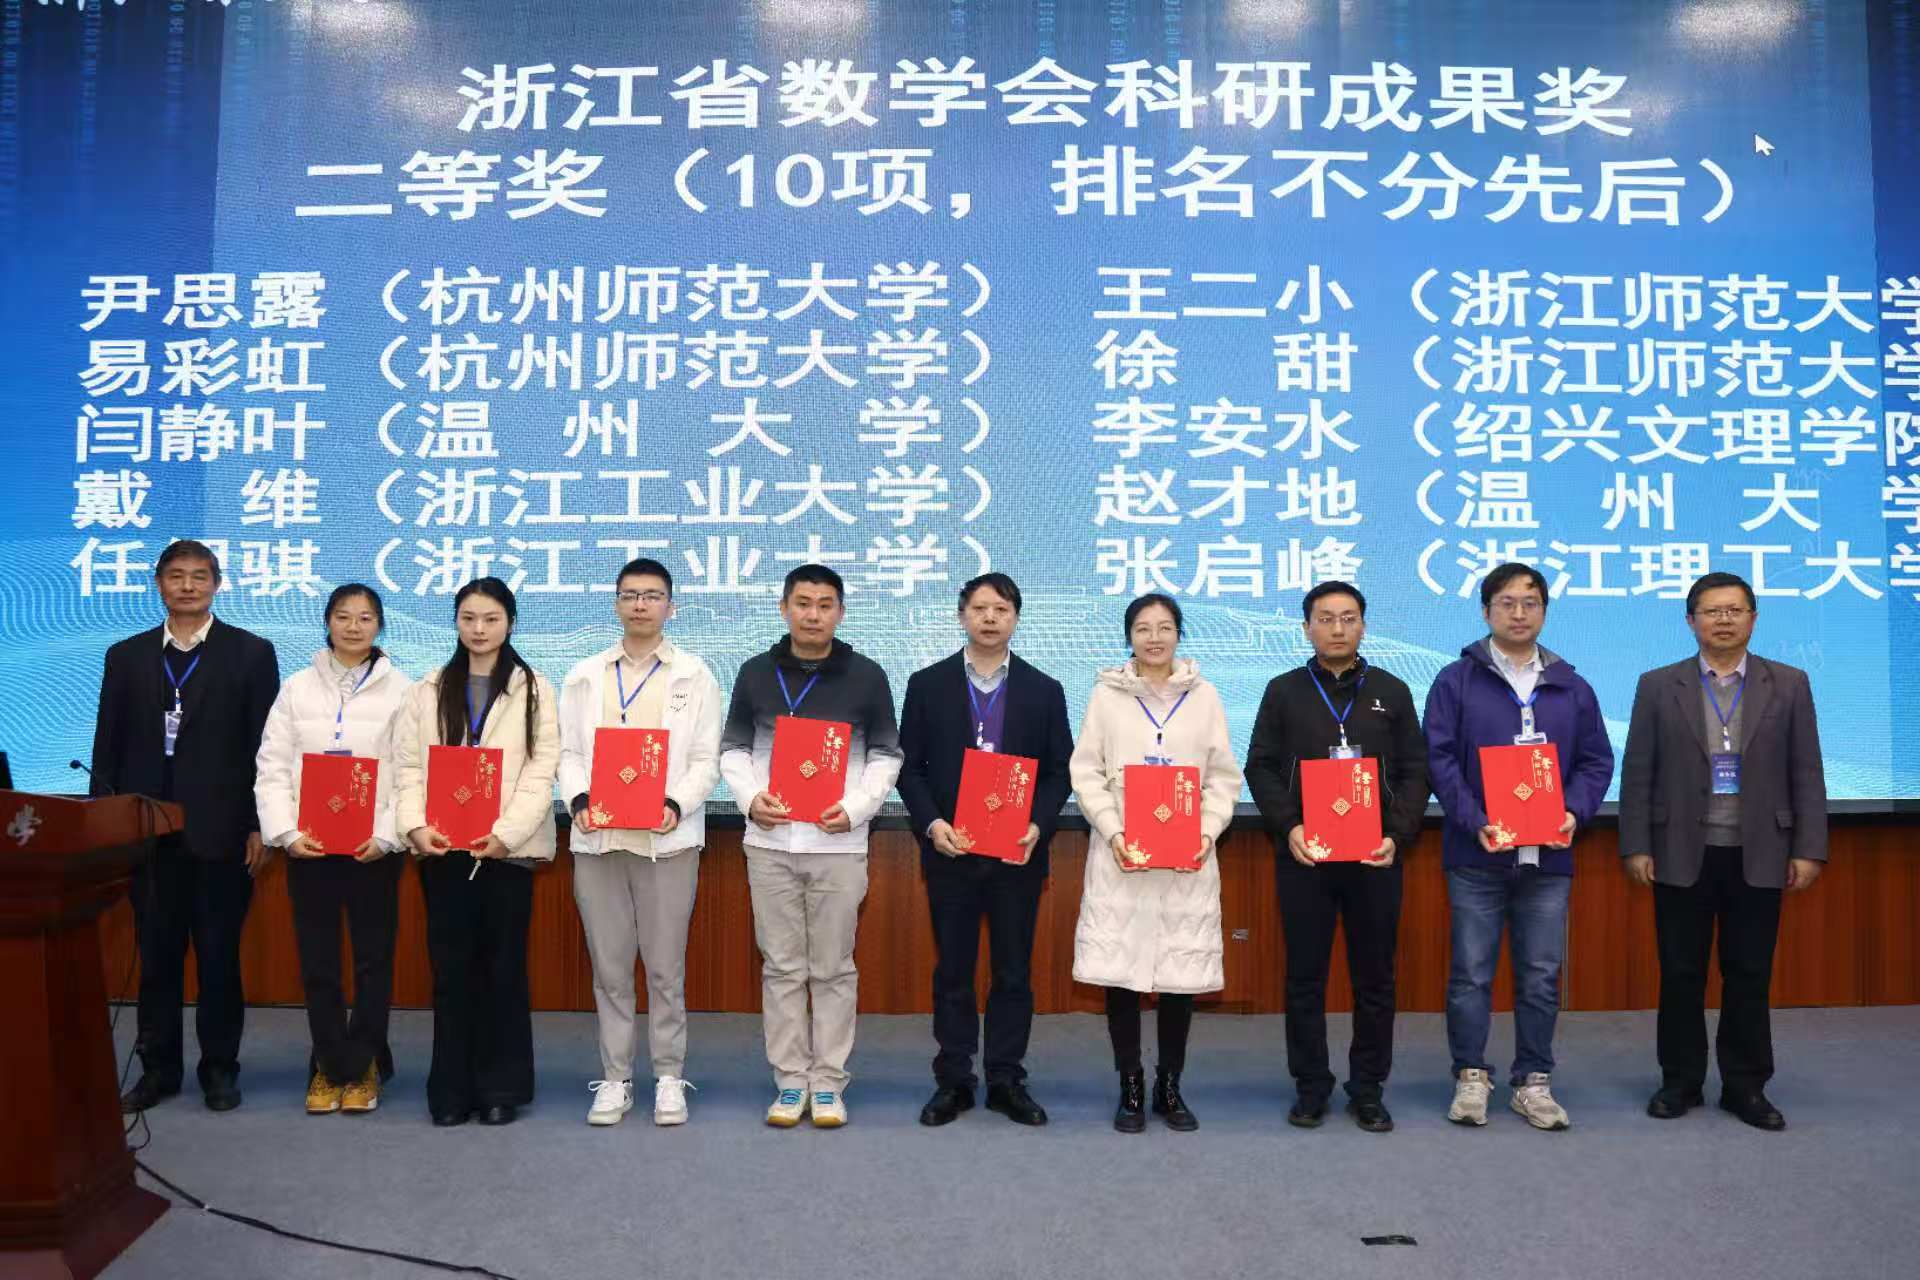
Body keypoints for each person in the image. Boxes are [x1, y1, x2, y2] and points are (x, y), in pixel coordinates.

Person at [1619, 571, 1827, 1131]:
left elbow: (1807, 770)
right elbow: (1638, 771)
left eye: (1735, 610)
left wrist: (1809, 848)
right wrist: (1636, 844)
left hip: (1760, 851)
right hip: (1679, 851)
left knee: (1749, 974)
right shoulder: (1658, 685)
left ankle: (1745, 1086)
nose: (1724, 620)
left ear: (1753, 619)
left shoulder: (1789, 684)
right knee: (1680, 973)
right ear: (1692, 621)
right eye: (1712, 611)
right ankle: (1680, 1081)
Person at [1424, 563, 1614, 1131]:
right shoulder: (1455, 681)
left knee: (1541, 974)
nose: (1518, 612)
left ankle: (1533, 1080)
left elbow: (1596, 761)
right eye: (1506, 602)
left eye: (1530, 603)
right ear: (1486, 611)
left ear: (1544, 612)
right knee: (1471, 974)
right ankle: (1471, 1075)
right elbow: (1439, 759)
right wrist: (1475, 820)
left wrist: (1573, 811)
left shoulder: (1572, 685)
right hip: (1476, 855)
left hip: (1548, 858)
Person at [94, 539, 279, 1114]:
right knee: (156, 960)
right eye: (177, 576)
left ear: (217, 585)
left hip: (223, 833)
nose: (188, 586)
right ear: (159, 584)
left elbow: (266, 750)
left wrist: (260, 825)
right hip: (147, 835)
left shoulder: (251, 653)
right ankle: (159, 1071)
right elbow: (107, 747)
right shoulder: (126, 656)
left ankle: (220, 1069)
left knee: (219, 958)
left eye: (200, 576)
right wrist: (106, 827)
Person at [719, 564, 904, 1128]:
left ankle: (827, 1082)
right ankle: (789, 1080)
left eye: (825, 605)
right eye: (803, 603)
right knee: (781, 968)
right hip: (770, 841)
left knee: (832, 968)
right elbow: (733, 750)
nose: (813, 614)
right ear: (784, 608)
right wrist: (750, 798)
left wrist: (855, 807)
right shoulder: (755, 672)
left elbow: (886, 756)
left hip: (837, 845)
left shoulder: (866, 676)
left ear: (840, 613)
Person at [1244, 581, 1427, 1133]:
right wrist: (1290, 826)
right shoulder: (1284, 691)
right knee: (1305, 978)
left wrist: (1397, 834)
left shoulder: (1392, 691)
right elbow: (1260, 766)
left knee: (1375, 979)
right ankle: (1311, 1086)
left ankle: (1367, 1088)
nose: (1338, 628)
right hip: (1307, 857)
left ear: (1363, 626)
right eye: (1325, 618)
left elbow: (1415, 770)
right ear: (1307, 628)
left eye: (1348, 618)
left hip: (1375, 857)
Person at [898, 573, 1074, 1128]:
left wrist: (1038, 825)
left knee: (1013, 972)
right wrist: (932, 824)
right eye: (979, 608)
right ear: (962, 616)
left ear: (1016, 618)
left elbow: (1060, 771)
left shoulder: (1044, 689)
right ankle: (953, 1080)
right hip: (950, 851)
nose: (990, 618)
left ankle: (1005, 1079)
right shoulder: (927, 684)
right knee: (953, 971)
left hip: (1016, 856)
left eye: (1001, 609)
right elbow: (909, 768)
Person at [559, 558, 722, 1128]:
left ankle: (670, 1076)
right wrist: (579, 799)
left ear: (670, 607)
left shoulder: (695, 675)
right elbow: (568, 753)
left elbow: (706, 759)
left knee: (664, 969)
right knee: (609, 969)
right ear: (616, 604)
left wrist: (675, 803)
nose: (640, 605)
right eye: (630, 595)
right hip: (599, 842)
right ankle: (616, 1078)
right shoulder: (585, 675)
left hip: (666, 843)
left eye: (652, 596)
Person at [1070, 594, 1242, 1133]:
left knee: (1178, 975)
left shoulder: (1205, 696)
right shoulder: (1106, 695)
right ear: (1129, 636)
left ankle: (1170, 1086)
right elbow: (1086, 772)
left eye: (1165, 627)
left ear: (1179, 634)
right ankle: (1130, 1085)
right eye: (1143, 628)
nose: (1154, 637)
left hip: (1187, 859)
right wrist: (1114, 831)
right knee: (1119, 973)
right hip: (1123, 855)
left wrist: (1205, 833)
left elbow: (1222, 778)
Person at [393, 577, 560, 1127]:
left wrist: (507, 833)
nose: (480, 629)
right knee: (451, 970)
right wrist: (416, 828)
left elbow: (541, 769)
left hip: (506, 851)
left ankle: (499, 1089)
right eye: (469, 618)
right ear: (456, 622)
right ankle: (451, 1090)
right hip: (443, 849)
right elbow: (408, 767)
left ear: (509, 623)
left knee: (502, 968)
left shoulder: (534, 689)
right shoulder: (428, 688)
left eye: (491, 618)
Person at [254, 584, 413, 1115]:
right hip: (312, 848)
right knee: (318, 962)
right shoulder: (296, 688)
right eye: (343, 616)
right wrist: (286, 833)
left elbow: (411, 771)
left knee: (373, 961)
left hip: (374, 849)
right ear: (327, 622)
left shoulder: (403, 691)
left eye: (365, 618)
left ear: (380, 626)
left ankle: (364, 1063)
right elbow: (272, 766)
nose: (353, 626)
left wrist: (387, 835)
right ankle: (327, 1062)